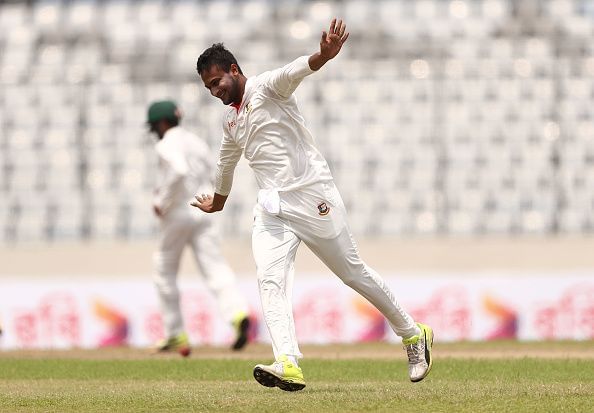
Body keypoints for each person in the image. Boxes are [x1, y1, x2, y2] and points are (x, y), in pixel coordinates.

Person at [192, 19, 433, 390]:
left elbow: (294, 71)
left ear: (234, 70)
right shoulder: (230, 119)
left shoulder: (268, 87)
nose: (214, 91)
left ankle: (413, 333)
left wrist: (321, 56)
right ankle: (287, 362)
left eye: (216, 82)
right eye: (208, 87)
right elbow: (227, 161)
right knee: (269, 279)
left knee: (353, 273)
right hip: (273, 209)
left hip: (312, 196)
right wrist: (219, 202)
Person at [147, 100, 251, 356]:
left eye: (154, 127)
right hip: (204, 210)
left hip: (179, 212)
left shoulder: (166, 143)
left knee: (164, 270)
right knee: (215, 268)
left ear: (161, 124)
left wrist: (162, 201)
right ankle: (237, 313)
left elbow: (179, 171)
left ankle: (175, 333)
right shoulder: (195, 141)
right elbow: (212, 169)